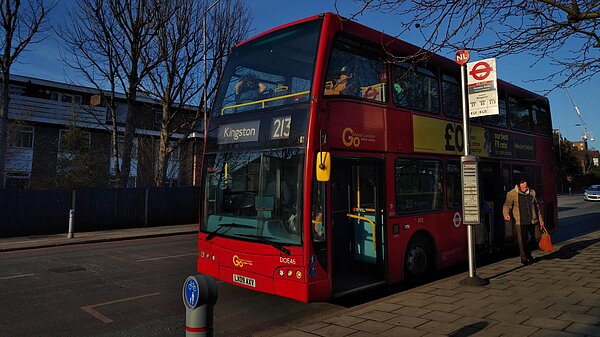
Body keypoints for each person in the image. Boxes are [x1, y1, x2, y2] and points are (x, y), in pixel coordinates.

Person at [503, 177, 545, 265]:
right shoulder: (512, 194)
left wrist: (541, 220)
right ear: (518, 186)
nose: (525, 188)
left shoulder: (532, 192)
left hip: (533, 220)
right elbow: (507, 205)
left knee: (537, 238)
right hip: (520, 221)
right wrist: (506, 214)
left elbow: (536, 207)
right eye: (522, 187)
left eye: (526, 186)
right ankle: (524, 258)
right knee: (522, 240)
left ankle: (528, 252)